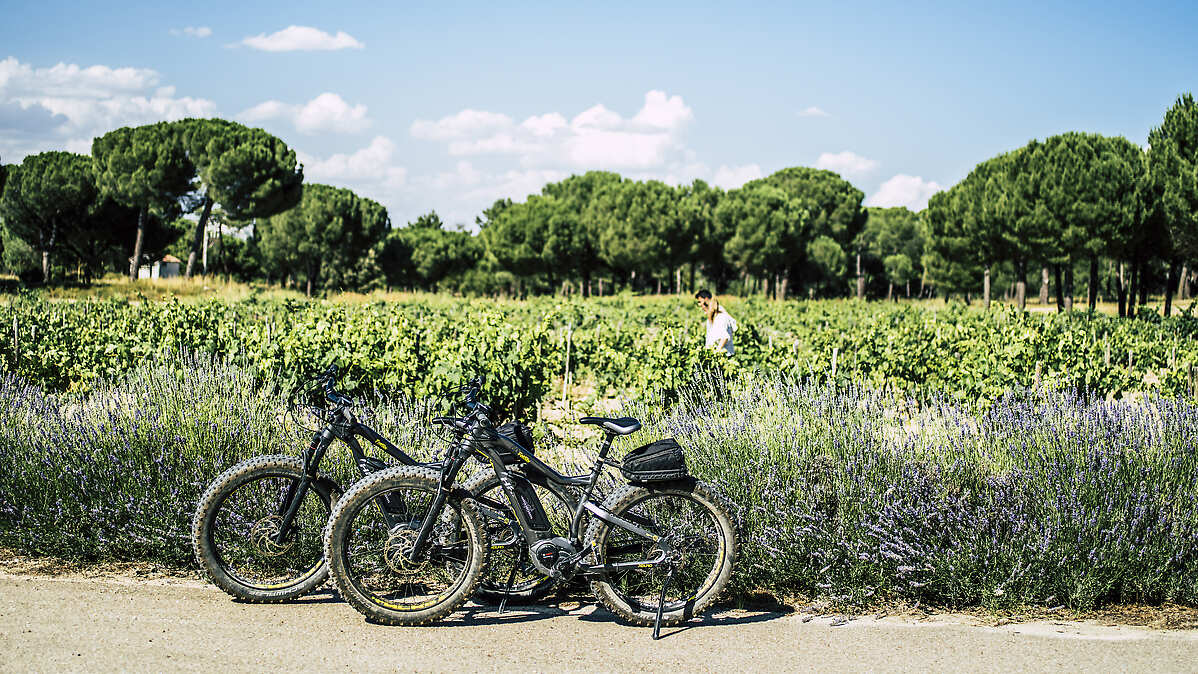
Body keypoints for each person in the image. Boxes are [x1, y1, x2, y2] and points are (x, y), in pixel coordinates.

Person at [694, 289, 736, 355]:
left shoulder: (720, 317)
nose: (700, 305)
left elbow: (724, 337)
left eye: (700, 302)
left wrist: (716, 353)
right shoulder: (712, 317)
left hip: (724, 357)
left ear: (706, 300)